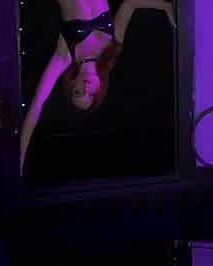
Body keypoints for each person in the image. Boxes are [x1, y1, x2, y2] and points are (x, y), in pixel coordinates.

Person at [20, 0, 176, 174]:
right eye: (90, 94)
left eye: (78, 93)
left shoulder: (65, 56)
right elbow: (129, 5)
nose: (86, 88)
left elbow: (38, 103)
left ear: (72, 83)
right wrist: (166, 6)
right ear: (99, 90)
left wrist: (19, 159)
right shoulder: (111, 49)